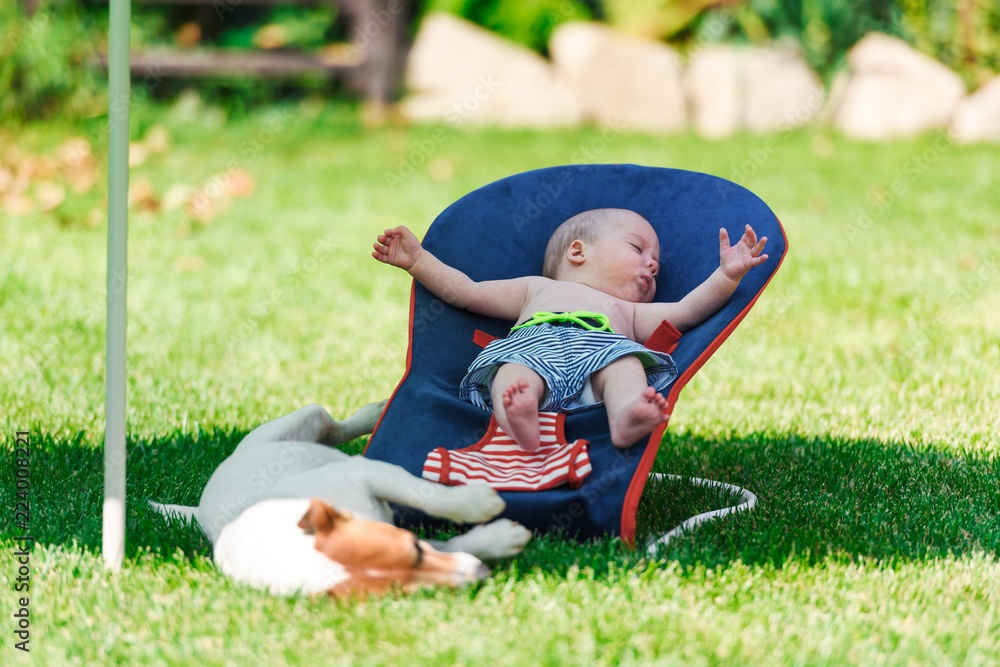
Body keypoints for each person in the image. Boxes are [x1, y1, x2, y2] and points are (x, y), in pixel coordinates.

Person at [372, 208, 767, 452]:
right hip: (533, 346)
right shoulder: (537, 289)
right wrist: (418, 261)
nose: (652, 266)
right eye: (637, 249)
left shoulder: (627, 312)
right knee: (511, 368)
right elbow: (466, 292)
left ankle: (626, 413)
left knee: (625, 362)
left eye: (656, 264)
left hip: (599, 359)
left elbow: (685, 311)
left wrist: (727, 275)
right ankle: (518, 410)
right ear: (577, 252)